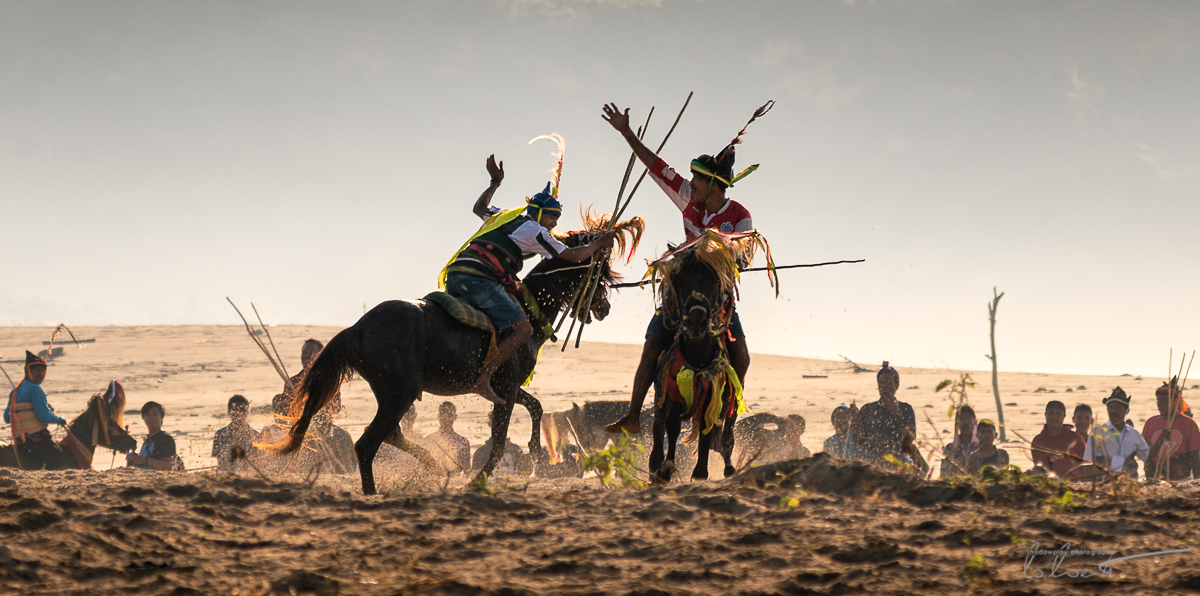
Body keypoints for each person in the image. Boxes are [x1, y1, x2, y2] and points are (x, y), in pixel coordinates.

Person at [601, 101, 770, 434]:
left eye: (696, 180)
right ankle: (634, 415)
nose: (690, 184)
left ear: (714, 183)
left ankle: (725, 422)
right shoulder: (688, 198)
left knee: (742, 358)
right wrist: (626, 132)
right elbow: (656, 166)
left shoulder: (739, 216)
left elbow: (744, 257)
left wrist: (717, 248)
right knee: (652, 345)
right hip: (680, 295)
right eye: (690, 180)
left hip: (716, 299)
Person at [442, 153, 616, 406]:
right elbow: (572, 255)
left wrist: (494, 183)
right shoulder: (536, 230)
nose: (554, 224)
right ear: (539, 213)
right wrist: (600, 242)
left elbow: (479, 209)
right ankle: (484, 380)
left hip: (456, 275)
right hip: (480, 279)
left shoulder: (507, 216)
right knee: (524, 329)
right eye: (551, 217)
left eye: (556, 219)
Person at [3, 351, 70, 469]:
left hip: (20, 443)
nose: (41, 373)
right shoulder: (35, 389)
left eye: (43, 370)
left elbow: (7, 418)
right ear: (28, 371)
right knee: (61, 462)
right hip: (37, 442)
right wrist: (60, 419)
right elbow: (44, 416)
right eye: (37, 370)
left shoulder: (14, 392)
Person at [853, 362, 917, 465]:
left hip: (898, 459)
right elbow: (859, 441)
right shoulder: (867, 409)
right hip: (873, 459)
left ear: (896, 386)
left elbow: (910, 438)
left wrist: (896, 415)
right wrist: (856, 423)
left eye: (889, 383)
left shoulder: (905, 409)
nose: (884, 387)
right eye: (881, 383)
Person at [1084, 387, 1149, 479]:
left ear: (1127, 411)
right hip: (1103, 484)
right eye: (1111, 407)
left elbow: (1147, 457)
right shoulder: (1097, 433)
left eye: (1118, 407)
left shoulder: (1134, 434)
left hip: (1128, 484)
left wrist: (1160, 441)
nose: (1113, 411)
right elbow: (1087, 463)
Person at [1143, 380, 1200, 481]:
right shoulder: (1151, 422)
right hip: (1155, 480)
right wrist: (1160, 439)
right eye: (1158, 400)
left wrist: (1197, 482)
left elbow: (1195, 458)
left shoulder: (1189, 424)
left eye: (1164, 401)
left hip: (1182, 480)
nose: (1160, 404)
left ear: (1175, 402)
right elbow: (1144, 455)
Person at [1030, 400, 1087, 479]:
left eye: (1058, 414)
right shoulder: (1038, 441)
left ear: (1064, 417)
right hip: (1045, 486)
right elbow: (1037, 466)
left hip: (1071, 487)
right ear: (1045, 415)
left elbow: (1085, 467)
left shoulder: (1076, 439)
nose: (1054, 417)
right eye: (1051, 413)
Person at [127, 401, 184, 471]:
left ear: (161, 417)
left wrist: (145, 460)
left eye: (155, 415)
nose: (151, 418)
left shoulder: (165, 439)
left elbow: (170, 466)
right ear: (143, 418)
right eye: (147, 415)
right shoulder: (147, 440)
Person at [735, 413, 809, 465]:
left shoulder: (804, 452)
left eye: (792, 427)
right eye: (788, 426)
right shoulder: (775, 441)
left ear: (801, 431)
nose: (789, 429)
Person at [212, 395, 258, 471]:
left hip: (246, 479)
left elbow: (257, 463)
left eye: (242, 409)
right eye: (235, 409)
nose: (239, 413)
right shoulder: (219, 435)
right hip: (224, 478)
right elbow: (218, 461)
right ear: (229, 412)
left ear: (247, 412)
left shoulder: (255, 436)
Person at [425, 401, 471, 474]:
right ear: (438, 416)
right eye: (443, 414)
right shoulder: (429, 440)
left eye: (449, 415)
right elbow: (424, 469)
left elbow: (467, 471)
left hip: (455, 483)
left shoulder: (463, 442)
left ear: (455, 417)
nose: (446, 418)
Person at [940, 405, 978, 478]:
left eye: (969, 419)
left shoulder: (981, 447)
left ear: (974, 423)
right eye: (962, 419)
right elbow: (944, 474)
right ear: (957, 424)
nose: (966, 423)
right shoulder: (950, 449)